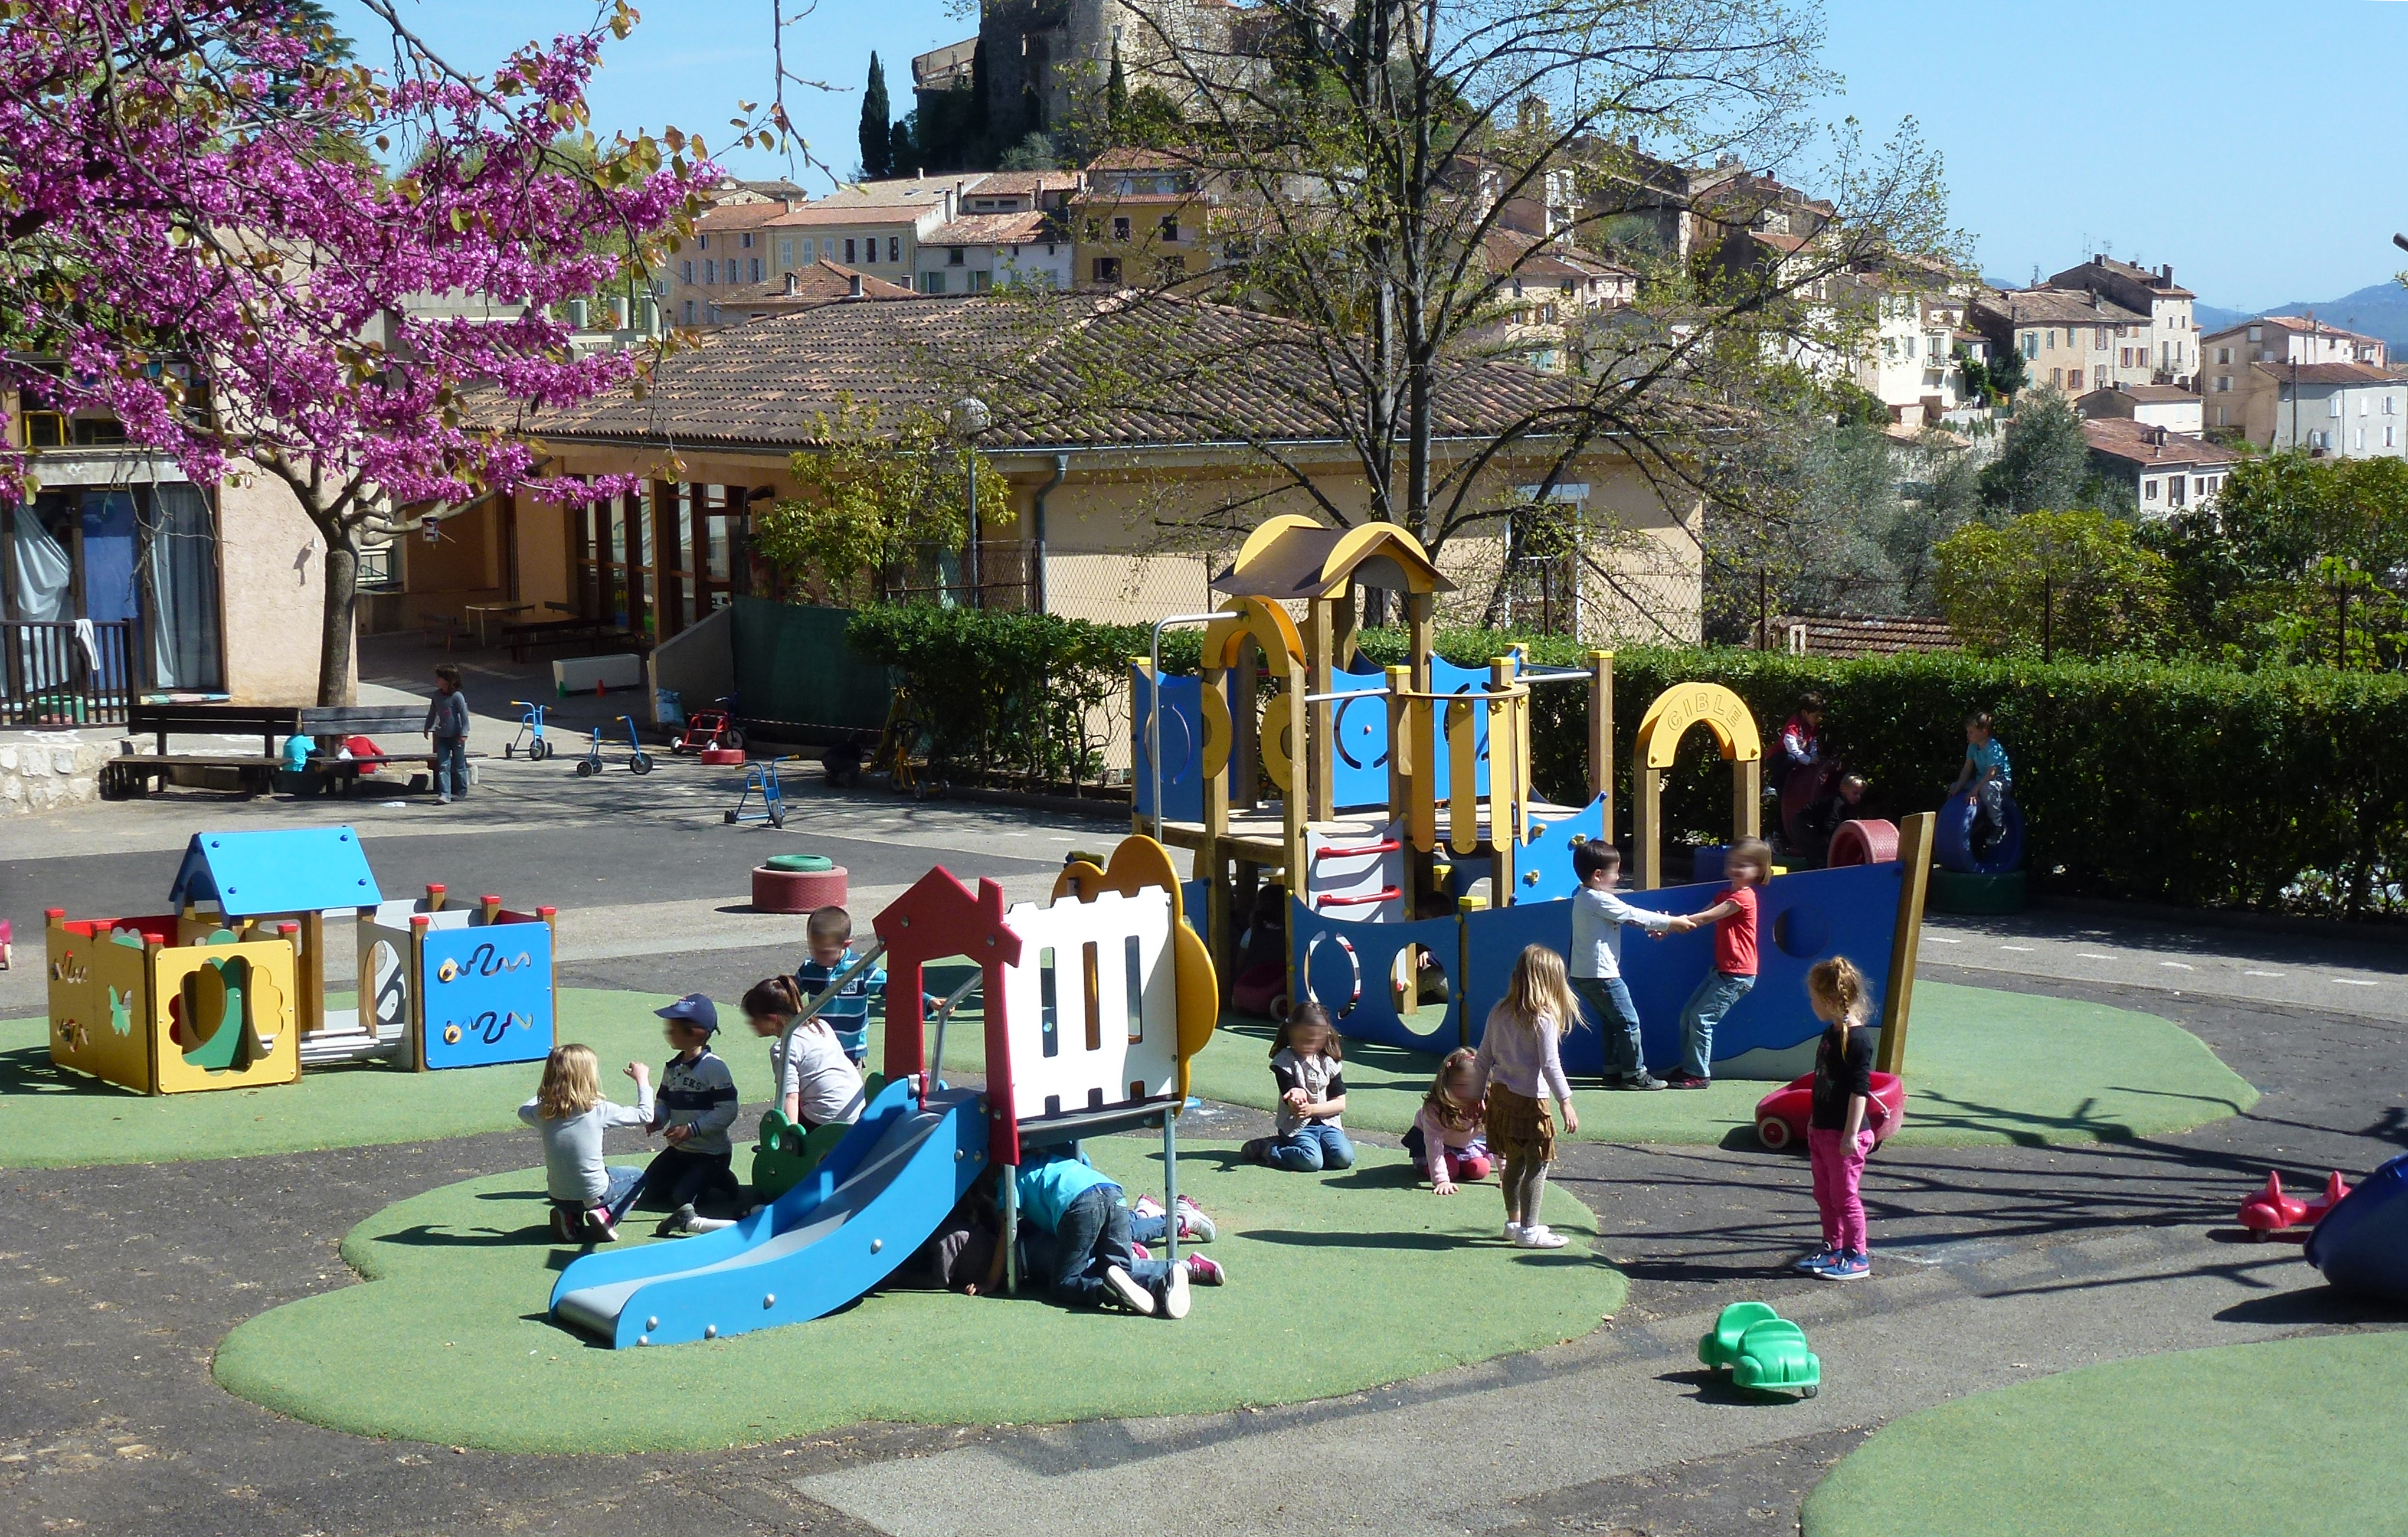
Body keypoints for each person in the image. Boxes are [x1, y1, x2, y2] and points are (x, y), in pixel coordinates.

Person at [1471, 946, 1582, 1248]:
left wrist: (1476, 1096)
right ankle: (1530, 1231)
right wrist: (1565, 1101)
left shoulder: (1499, 1011)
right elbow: (1550, 1065)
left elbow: (1483, 1058)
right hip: (1531, 1102)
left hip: (1501, 1097)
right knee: (1537, 1164)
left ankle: (1514, 1223)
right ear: (1550, 982)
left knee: (1513, 1162)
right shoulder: (1543, 1019)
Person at [1567, 841, 1694, 1091]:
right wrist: (1672, 923)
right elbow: (1632, 914)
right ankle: (1636, 1074)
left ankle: (1614, 1070)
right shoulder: (1597, 899)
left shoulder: (1586, 897)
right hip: (1602, 975)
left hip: (1586, 974)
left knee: (1612, 1022)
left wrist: (1660, 925)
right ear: (1598, 875)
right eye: (1615, 872)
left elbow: (1629, 919)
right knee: (1628, 1021)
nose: (1618, 877)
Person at [1015, 1144, 1190, 1317]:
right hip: (1113, 1192)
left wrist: (999, 1278)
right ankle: (1161, 1285)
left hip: (1080, 1205)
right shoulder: (1057, 1159)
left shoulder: (1010, 1178)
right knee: (1117, 1271)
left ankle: (1105, 1291)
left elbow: (1007, 1227)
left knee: (1064, 1282)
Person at [518, 1042, 653, 1244]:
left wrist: (547, 1094)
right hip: (594, 1193)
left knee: (573, 1191)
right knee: (638, 1177)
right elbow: (646, 1115)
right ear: (588, 1076)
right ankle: (608, 1214)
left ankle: (569, 1219)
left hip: (558, 1195)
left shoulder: (542, 1112)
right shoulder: (599, 1109)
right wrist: (642, 1080)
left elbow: (523, 1110)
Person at [1798, 957, 1879, 1281]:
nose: (1811, 1004)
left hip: (1845, 1136)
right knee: (1824, 1194)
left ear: (1830, 1001)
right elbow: (1823, 1081)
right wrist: (1813, 1120)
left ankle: (1857, 1255)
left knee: (1845, 1197)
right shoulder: (1830, 1033)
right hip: (1822, 1130)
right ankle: (1833, 1247)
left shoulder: (1858, 1040)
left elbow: (1860, 1090)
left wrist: (1850, 1135)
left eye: (1814, 998)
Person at [1667, 837, 1770, 1089]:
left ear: (1759, 870)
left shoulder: (1744, 898)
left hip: (1738, 975)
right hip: (1723, 971)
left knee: (1701, 1019)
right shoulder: (1725, 894)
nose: (1737, 869)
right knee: (1688, 1016)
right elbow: (1697, 917)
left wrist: (1670, 924)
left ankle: (1698, 1074)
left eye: (1745, 865)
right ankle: (1689, 1066)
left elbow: (1707, 918)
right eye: (1734, 863)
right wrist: (1668, 927)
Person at [639, 993, 745, 1235]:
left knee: (681, 1198)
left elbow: (728, 1110)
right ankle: (692, 1177)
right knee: (647, 1190)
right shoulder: (673, 1067)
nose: (669, 1032)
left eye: (675, 1028)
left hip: (711, 1153)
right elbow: (665, 1102)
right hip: (680, 1151)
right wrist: (658, 1118)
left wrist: (692, 1129)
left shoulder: (714, 1068)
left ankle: (721, 1177)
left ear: (697, 1033)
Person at [1241, 1002, 1354, 1172]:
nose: (1308, 1045)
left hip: (1328, 1125)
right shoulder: (1285, 1061)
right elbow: (1290, 1094)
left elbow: (1340, 1103)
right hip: (1297, 1127)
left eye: (1314, 1040)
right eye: (1302, 1039)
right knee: (1312, 1162)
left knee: (1344, 1158)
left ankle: (1314, 1148)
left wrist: (1312, 1109)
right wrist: (1295, 1097)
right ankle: (1268, 1149)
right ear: (1291, 1033)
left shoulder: (1329, 1063)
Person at [744, 974, 865, 1132]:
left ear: (772, 1019)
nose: (751, 1024)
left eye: (754, 1019)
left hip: (829, 1118)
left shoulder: (784, 1048)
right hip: (856, 1107)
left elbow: (790, 1096)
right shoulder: (821, 1026)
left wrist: (791, 1135)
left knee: (775, 1121)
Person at [795, 906, 882, 1071]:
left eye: (824, 952)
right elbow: (790, 994)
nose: (816, 956)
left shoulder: (860, 968)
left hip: (850, 1050)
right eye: (813, 949)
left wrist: (927, 1000)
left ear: (846, 944)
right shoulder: (809, 969)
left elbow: (895, 988)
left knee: (847, 1086)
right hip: (820, 1048)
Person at [1406, 1048, 1493, 1195]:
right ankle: (1448, 1164)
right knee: (1450, 1170)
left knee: (1480, 1169)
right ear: (1447, 1083)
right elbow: (1434, 1144)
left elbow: (1496, 1138)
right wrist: (1442, 1180)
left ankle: (1461, 1160)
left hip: (1465, 1142)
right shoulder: (1435, 1108)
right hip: (1434, 1144)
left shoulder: (1484, 1104)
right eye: (1461, 1085)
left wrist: (1505, 1175)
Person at [1948, 712, 2013, 856]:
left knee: (1987, 789)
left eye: (1971, 732)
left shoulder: (1993, 748)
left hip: (2000, 782)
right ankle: (1972, 822)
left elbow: (1992, 774)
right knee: (1954, 786)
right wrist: (1958, 788)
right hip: (1981, 782)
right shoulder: (1973, 747)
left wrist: (1975, 791)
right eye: (1968, 732)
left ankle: (1998, 825)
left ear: (1984, 731)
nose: (1968, 735)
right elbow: (1967, 769)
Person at [1776, 693, 1834, 852]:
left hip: (1797, 758)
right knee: (1789, 759)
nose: (1818, 719)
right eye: (1816, 716)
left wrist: (1813, 757)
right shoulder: (1795, 723)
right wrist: (1807, 759)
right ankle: (1773, 785)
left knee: (1795, 761)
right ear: (1805, 713)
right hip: (1780, 757)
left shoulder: (1812, 726)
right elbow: (1790, 745)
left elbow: (1813, 743)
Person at [421, 662, 470, 805]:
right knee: (443, 765)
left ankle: (461, 791)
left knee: (459, 765)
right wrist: (427, 727)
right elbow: (432, 713)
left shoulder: (457, 697)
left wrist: (464, 733)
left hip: (457, 737)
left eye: (439, 678)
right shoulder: (437, 695)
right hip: (442, 736)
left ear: (448, 680)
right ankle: (445, 794)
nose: (436, 680)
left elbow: (464, 717)